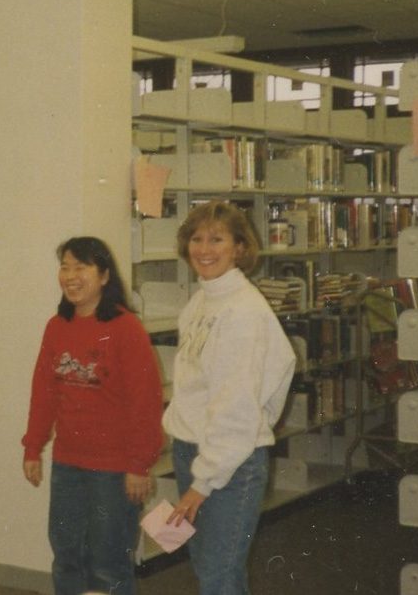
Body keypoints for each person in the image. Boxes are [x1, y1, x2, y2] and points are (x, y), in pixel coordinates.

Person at [164, 201, 296, 595]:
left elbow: (239, 405)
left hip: (228, 466)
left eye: (217, 239)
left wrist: (204, 480)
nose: (204, 249)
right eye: (197, 238)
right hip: (195, 451)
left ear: (239, 247)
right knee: (210, 570)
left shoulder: (243, 310)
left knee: (218, 578)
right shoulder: (202, 301)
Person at [22, 237, 163, 595]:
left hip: (114, 468)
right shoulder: (57, 326)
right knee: (66, 555)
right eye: (65, 266)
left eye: (80, 267)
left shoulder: (125, 327)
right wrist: (32, 446)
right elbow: (44, 393)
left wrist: (139, 464)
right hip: (68, 462)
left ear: (103, 276)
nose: (70, 275)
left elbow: (145, 401)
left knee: (108, 563)